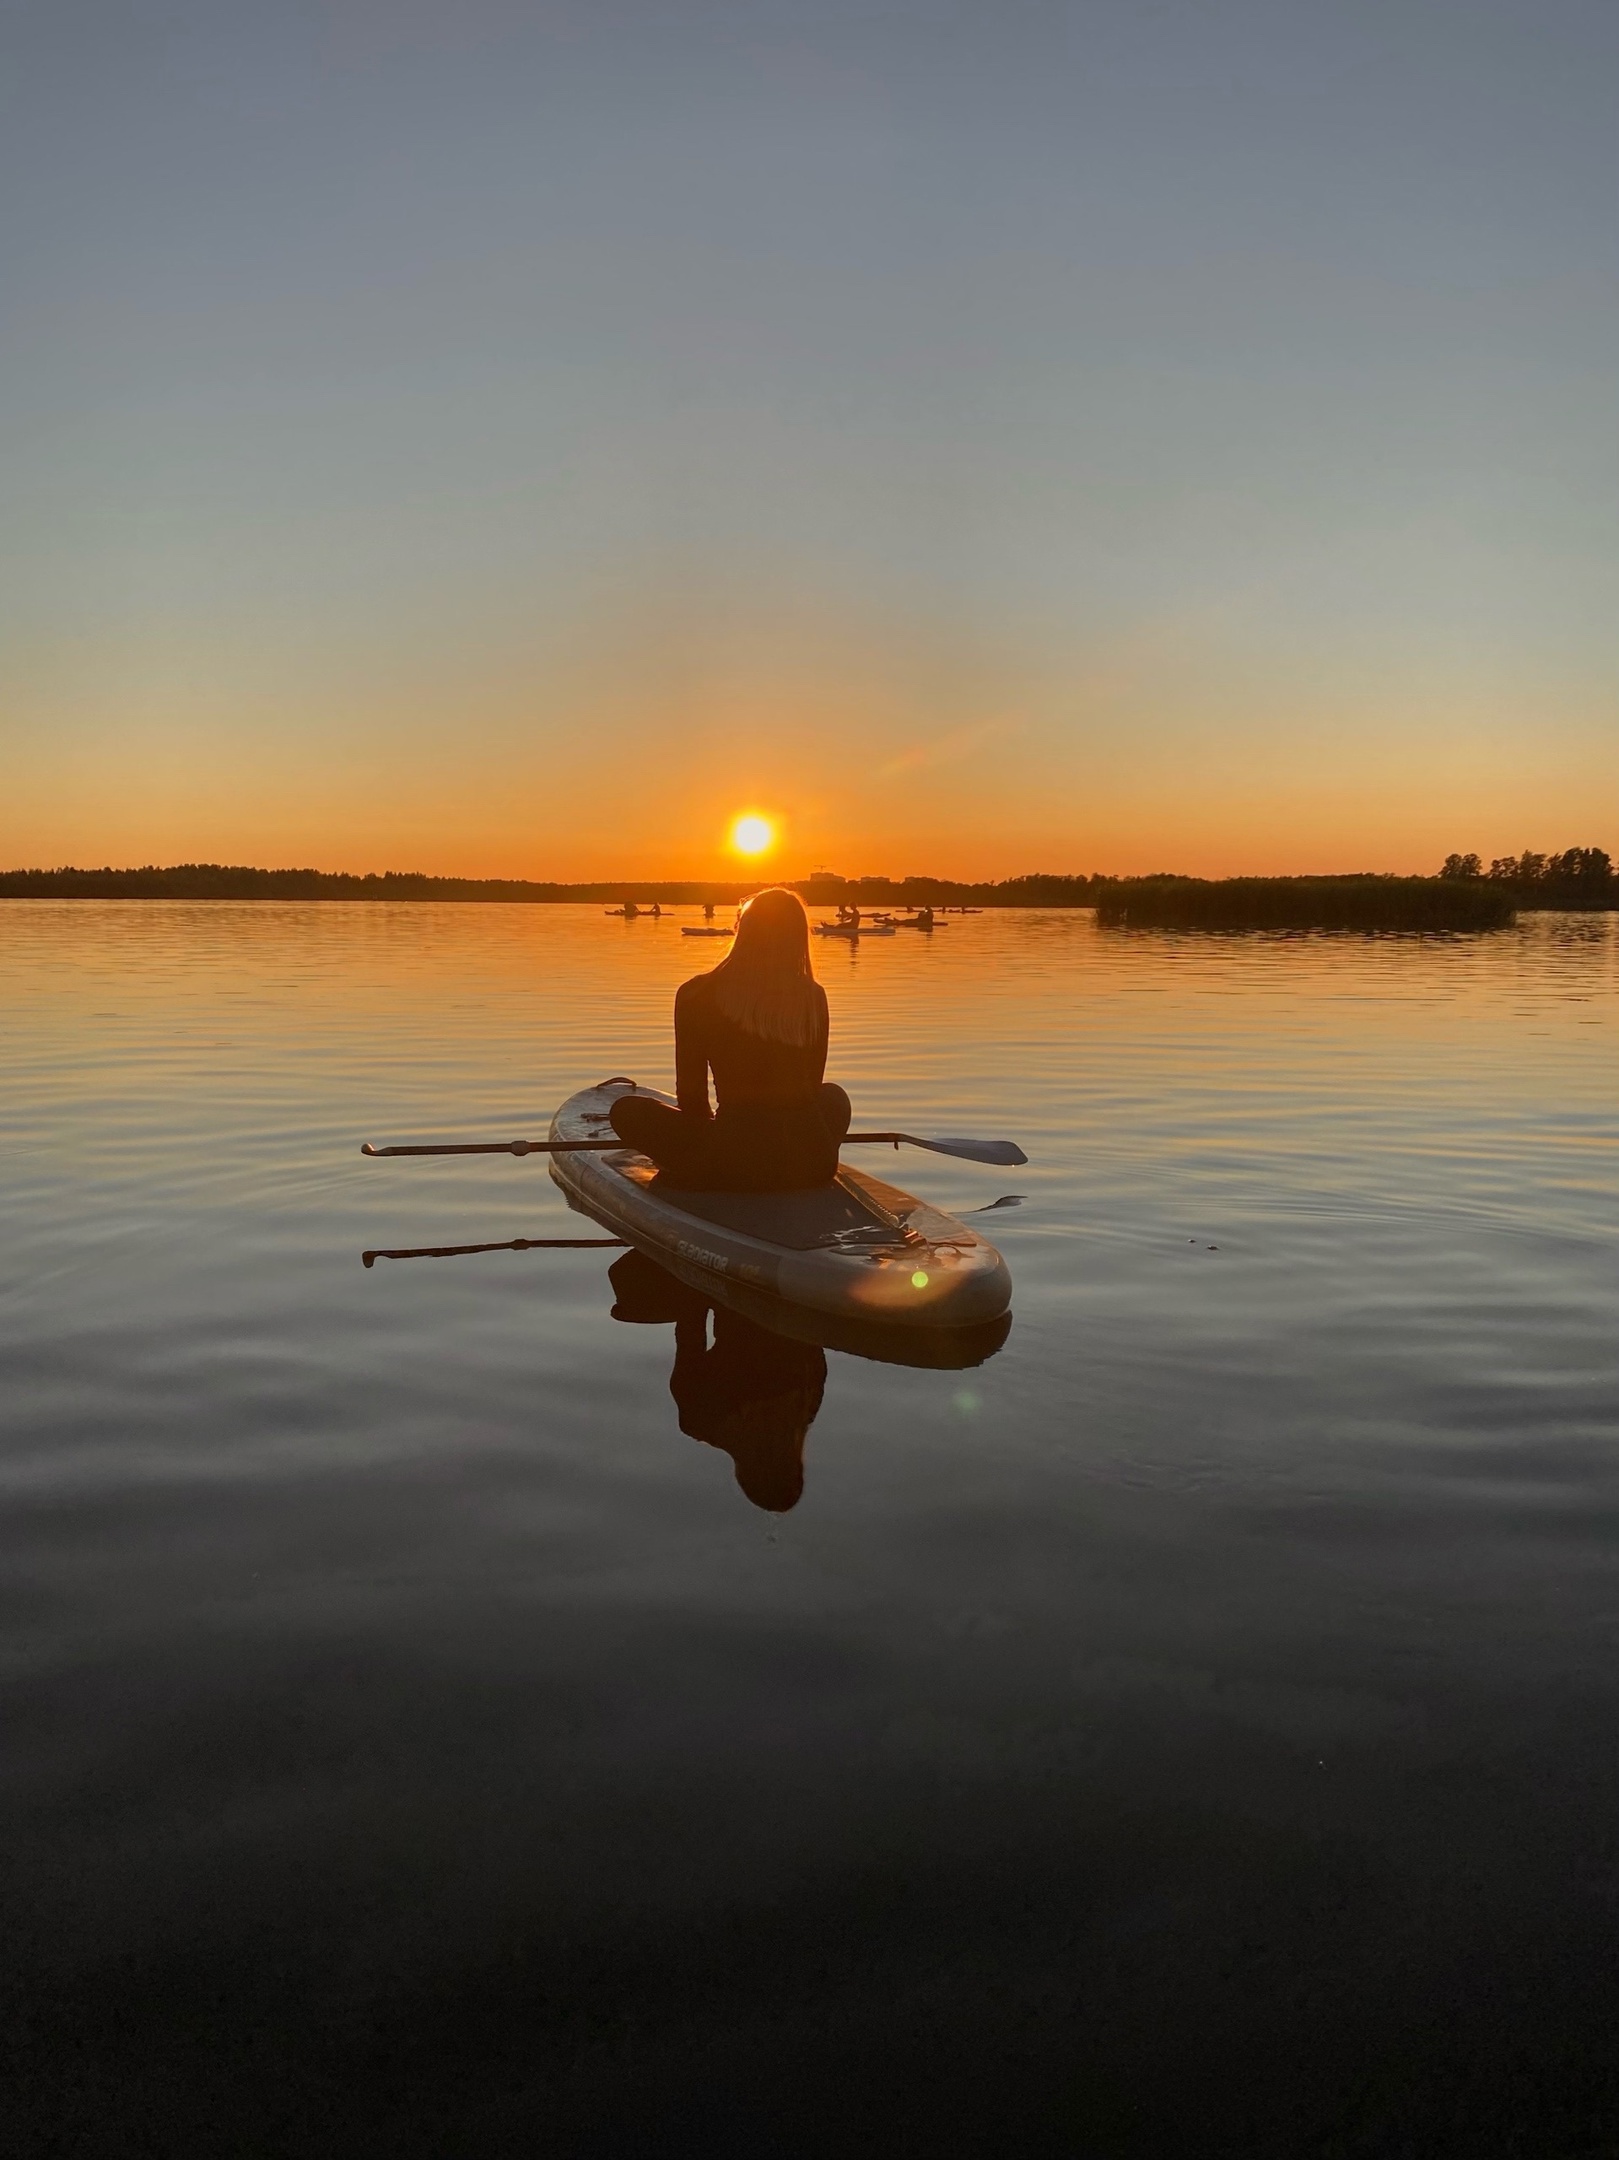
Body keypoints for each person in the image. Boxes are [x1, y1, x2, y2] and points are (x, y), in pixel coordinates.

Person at [608, 886, 851, 1191]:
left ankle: (697, 1170)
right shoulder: (814, 996)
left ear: (743, 930)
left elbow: (693, 1098)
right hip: (812, 1164)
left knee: (627, 1111)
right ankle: (783, 1163)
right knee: (833, 1097)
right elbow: (812, 1088)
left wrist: (711, 1137)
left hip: (732, 1166)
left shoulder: (697, 993)